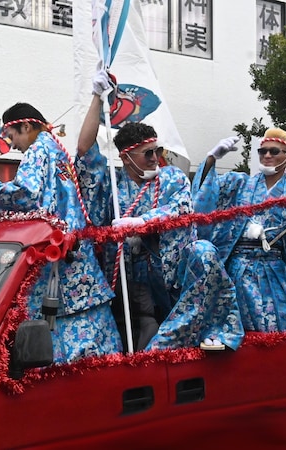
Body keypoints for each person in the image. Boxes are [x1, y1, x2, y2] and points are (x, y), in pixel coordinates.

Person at [0, 102, 121, 364]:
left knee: (49, 339)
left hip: (56, 263)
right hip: (77, 261)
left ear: (27, 126)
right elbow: (44, 204)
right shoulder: (56, 150)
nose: (13, 144)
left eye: (13, 136)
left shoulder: (38, 149)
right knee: (93, 335)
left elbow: (27, 195)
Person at [75, 83, 195, 350]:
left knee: (157, 325)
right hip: (121, 275)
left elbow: (181, 208)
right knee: (124, 328)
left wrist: (142, 223)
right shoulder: (113, 185)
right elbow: (85, 152)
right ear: (126, 157)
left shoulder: (171, 177)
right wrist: (96, 98)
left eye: (158, 151)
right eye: (148, 153)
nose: (156, 158)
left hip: (163, 274)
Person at [193, 127, 286, 333]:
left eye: (274, 151)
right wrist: (212, 158)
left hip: (274, 266)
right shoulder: (240, 184)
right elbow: (205, 193)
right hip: (238, 265)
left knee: (285, 323)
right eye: (262, 151)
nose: (266, 155)